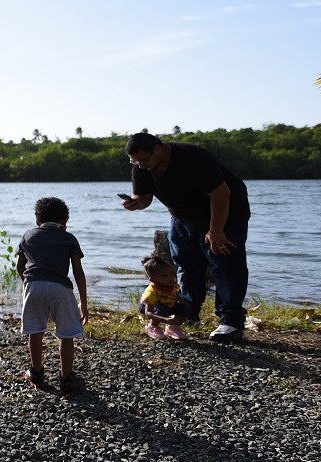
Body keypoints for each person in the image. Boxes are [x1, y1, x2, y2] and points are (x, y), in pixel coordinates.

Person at [120, 132, 250, 342]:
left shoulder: (193, 158)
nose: (140, 165)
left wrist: (216, 231)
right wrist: (134, 203)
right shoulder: (141, 166)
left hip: (226, 214)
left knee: (226, 265)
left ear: (158, 149)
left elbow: (221, 194)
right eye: (134, 161)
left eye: (144, 160)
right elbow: (144, 197)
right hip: (183, 217)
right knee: (186, 265)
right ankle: (188, 313)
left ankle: (231, 322)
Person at [15, 197, 89, 393]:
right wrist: (83, 303)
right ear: (64, 222)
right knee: (66, 333)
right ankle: (66, 379)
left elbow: (19, 266)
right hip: (60, 288)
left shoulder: (28, 235)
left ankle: (36, 373)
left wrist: (29, 285)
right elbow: (78, 272)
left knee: (35, 330)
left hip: (33, 286)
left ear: (38, 222)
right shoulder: (68, 238)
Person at [138, 254, 191, 340]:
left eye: (171, 274)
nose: (170, 278)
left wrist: (184, 304)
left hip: (167, 305)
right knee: (162, 309)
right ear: (153, 279)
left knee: (184, 308)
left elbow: (175, 295)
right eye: (164, 276)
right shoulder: (152, 292)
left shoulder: (170, 286)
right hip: (150, 307)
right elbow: (148, 313)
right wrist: (165, 319)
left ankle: (172, 327)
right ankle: (152, 326)